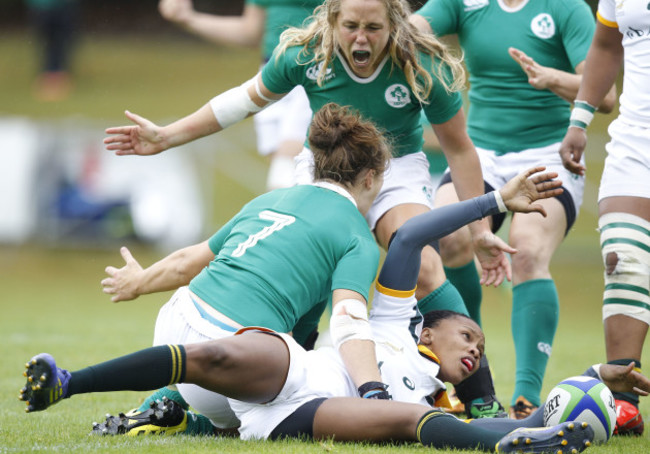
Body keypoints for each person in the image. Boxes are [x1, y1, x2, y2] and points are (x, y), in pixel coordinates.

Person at [21, 167, 615, 453]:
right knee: (216, 353)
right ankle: (68, 384)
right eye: (470, 334)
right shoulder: (392, 317)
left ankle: (513, 447)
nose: (476, 347)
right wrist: (492, 201)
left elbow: (534, 409)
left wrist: (593, 383)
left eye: (479, 349)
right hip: (291, 373)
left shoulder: (440, 394)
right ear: (431, 323)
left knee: (414, 426)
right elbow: (409, 240)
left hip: (293, 415)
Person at [104, 0, 518, 362]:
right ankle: (289, 374)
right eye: (351, 26)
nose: (361, 39)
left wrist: (480, 231)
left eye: (373, 28)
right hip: (326, 165)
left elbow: (460, 149)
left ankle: (477, 390)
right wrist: (167, 135)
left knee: (425, 265)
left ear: (394, 26)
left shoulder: (420, 65)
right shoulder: (307, 54)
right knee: (306, 268)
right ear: (332, 21)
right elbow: (242, 102)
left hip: (395, 168)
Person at [97, 103, 392, 431]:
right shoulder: (357, 235)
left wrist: (138, 282)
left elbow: (186, 264)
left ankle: (159, 405)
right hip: (230, 358)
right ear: (369, 179)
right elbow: (349, 324)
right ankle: (188, 424)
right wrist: (374, 393)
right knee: (303, 400)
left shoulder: (268, 200)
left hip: (172, 331)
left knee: (286, 353)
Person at [410, 0, 618, 419]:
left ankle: (526, 398)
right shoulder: (463, 4)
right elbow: (405, 33)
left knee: (525, 250)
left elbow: (606, 95)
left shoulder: (565, 9)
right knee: (445, 240)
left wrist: (551, 77)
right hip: (480, 155)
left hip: (548, 154)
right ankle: (474, 381)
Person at [559, 0, 650, 436]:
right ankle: (624, 401)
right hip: (636, 141)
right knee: (623, 258)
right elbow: (606, 44)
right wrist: (580, 118)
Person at [157, 0, 320, 190]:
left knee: (286, 174)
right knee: (293, 177)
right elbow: (251, 32)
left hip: (314, 73)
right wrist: (189, 19)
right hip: (270, 75)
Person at [27, 0, 80, 102]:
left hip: (62, 6)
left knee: (61, 42)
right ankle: (50, 78)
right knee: (49, 42)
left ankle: (58, 77)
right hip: (43, 7)